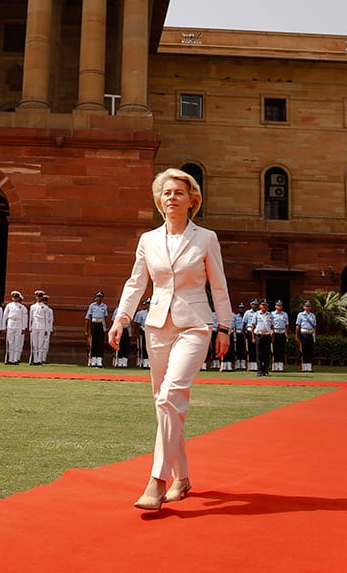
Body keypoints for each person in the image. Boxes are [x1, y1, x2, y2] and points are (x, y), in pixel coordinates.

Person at [107, 167, 232, 511]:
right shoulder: (148, 240)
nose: (172, 197)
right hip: (157, 326)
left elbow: (218, 285)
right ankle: (183, 477)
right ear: (159, 201)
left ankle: (156, 481)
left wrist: (225, 327)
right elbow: (136, 283)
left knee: (171, 396)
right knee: (164, 403)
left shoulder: (206, 238)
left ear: (192, 201)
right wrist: (121, 318)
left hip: (195, 325)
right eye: (166, 193)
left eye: (179, 192)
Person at [28, 290, 52, 365]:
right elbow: (31, 318)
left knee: (40, 344)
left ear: (42, 297)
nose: (38, 298)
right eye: (37, 296)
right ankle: (35, 360)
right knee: (34, 344)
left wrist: (47, 329)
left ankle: (39, 360)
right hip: (35, 326)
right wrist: (30, 328)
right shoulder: (33, 307)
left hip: (42, 326)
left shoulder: (45, 307)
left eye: (40, 296)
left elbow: (47, 319)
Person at [85, 291, 108, 367]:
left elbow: (105, 318)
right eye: (98, 297)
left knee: (100, 342)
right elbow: (88, 317)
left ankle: (99, 360)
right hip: (94, 323)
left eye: (100, 297)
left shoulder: (104, 306)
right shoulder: (92, 306)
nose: (99, 298)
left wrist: (105, 328)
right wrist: (87, 329)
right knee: (94, 342)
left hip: (101, 324)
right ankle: (93, 360)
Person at [295, 300, 317, 372]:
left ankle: (309, 367)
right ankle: (303, 367)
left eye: (309, 306)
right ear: (304, 307)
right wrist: (296, 336)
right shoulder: (300, 315)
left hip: (310, 333)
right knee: (303, 351)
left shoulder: (312, 315)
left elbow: (314, 326)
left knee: (310, 351)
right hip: (303, 333)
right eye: (306, 306)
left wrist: (314, 335)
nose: (308, 307)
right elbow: (298, 326)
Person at [269, 300, 289, 372]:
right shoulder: (272, 314)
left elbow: (287, 325)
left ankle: (280, 366)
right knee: (274, 350)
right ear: (275, 306)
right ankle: (274, 366)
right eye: (278, 305)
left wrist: (286, 335)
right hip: (275, 332)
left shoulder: (285, 314)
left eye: (280, 305)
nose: (279, 307)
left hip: (282, 332)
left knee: (281, 350)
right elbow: (270, 325)